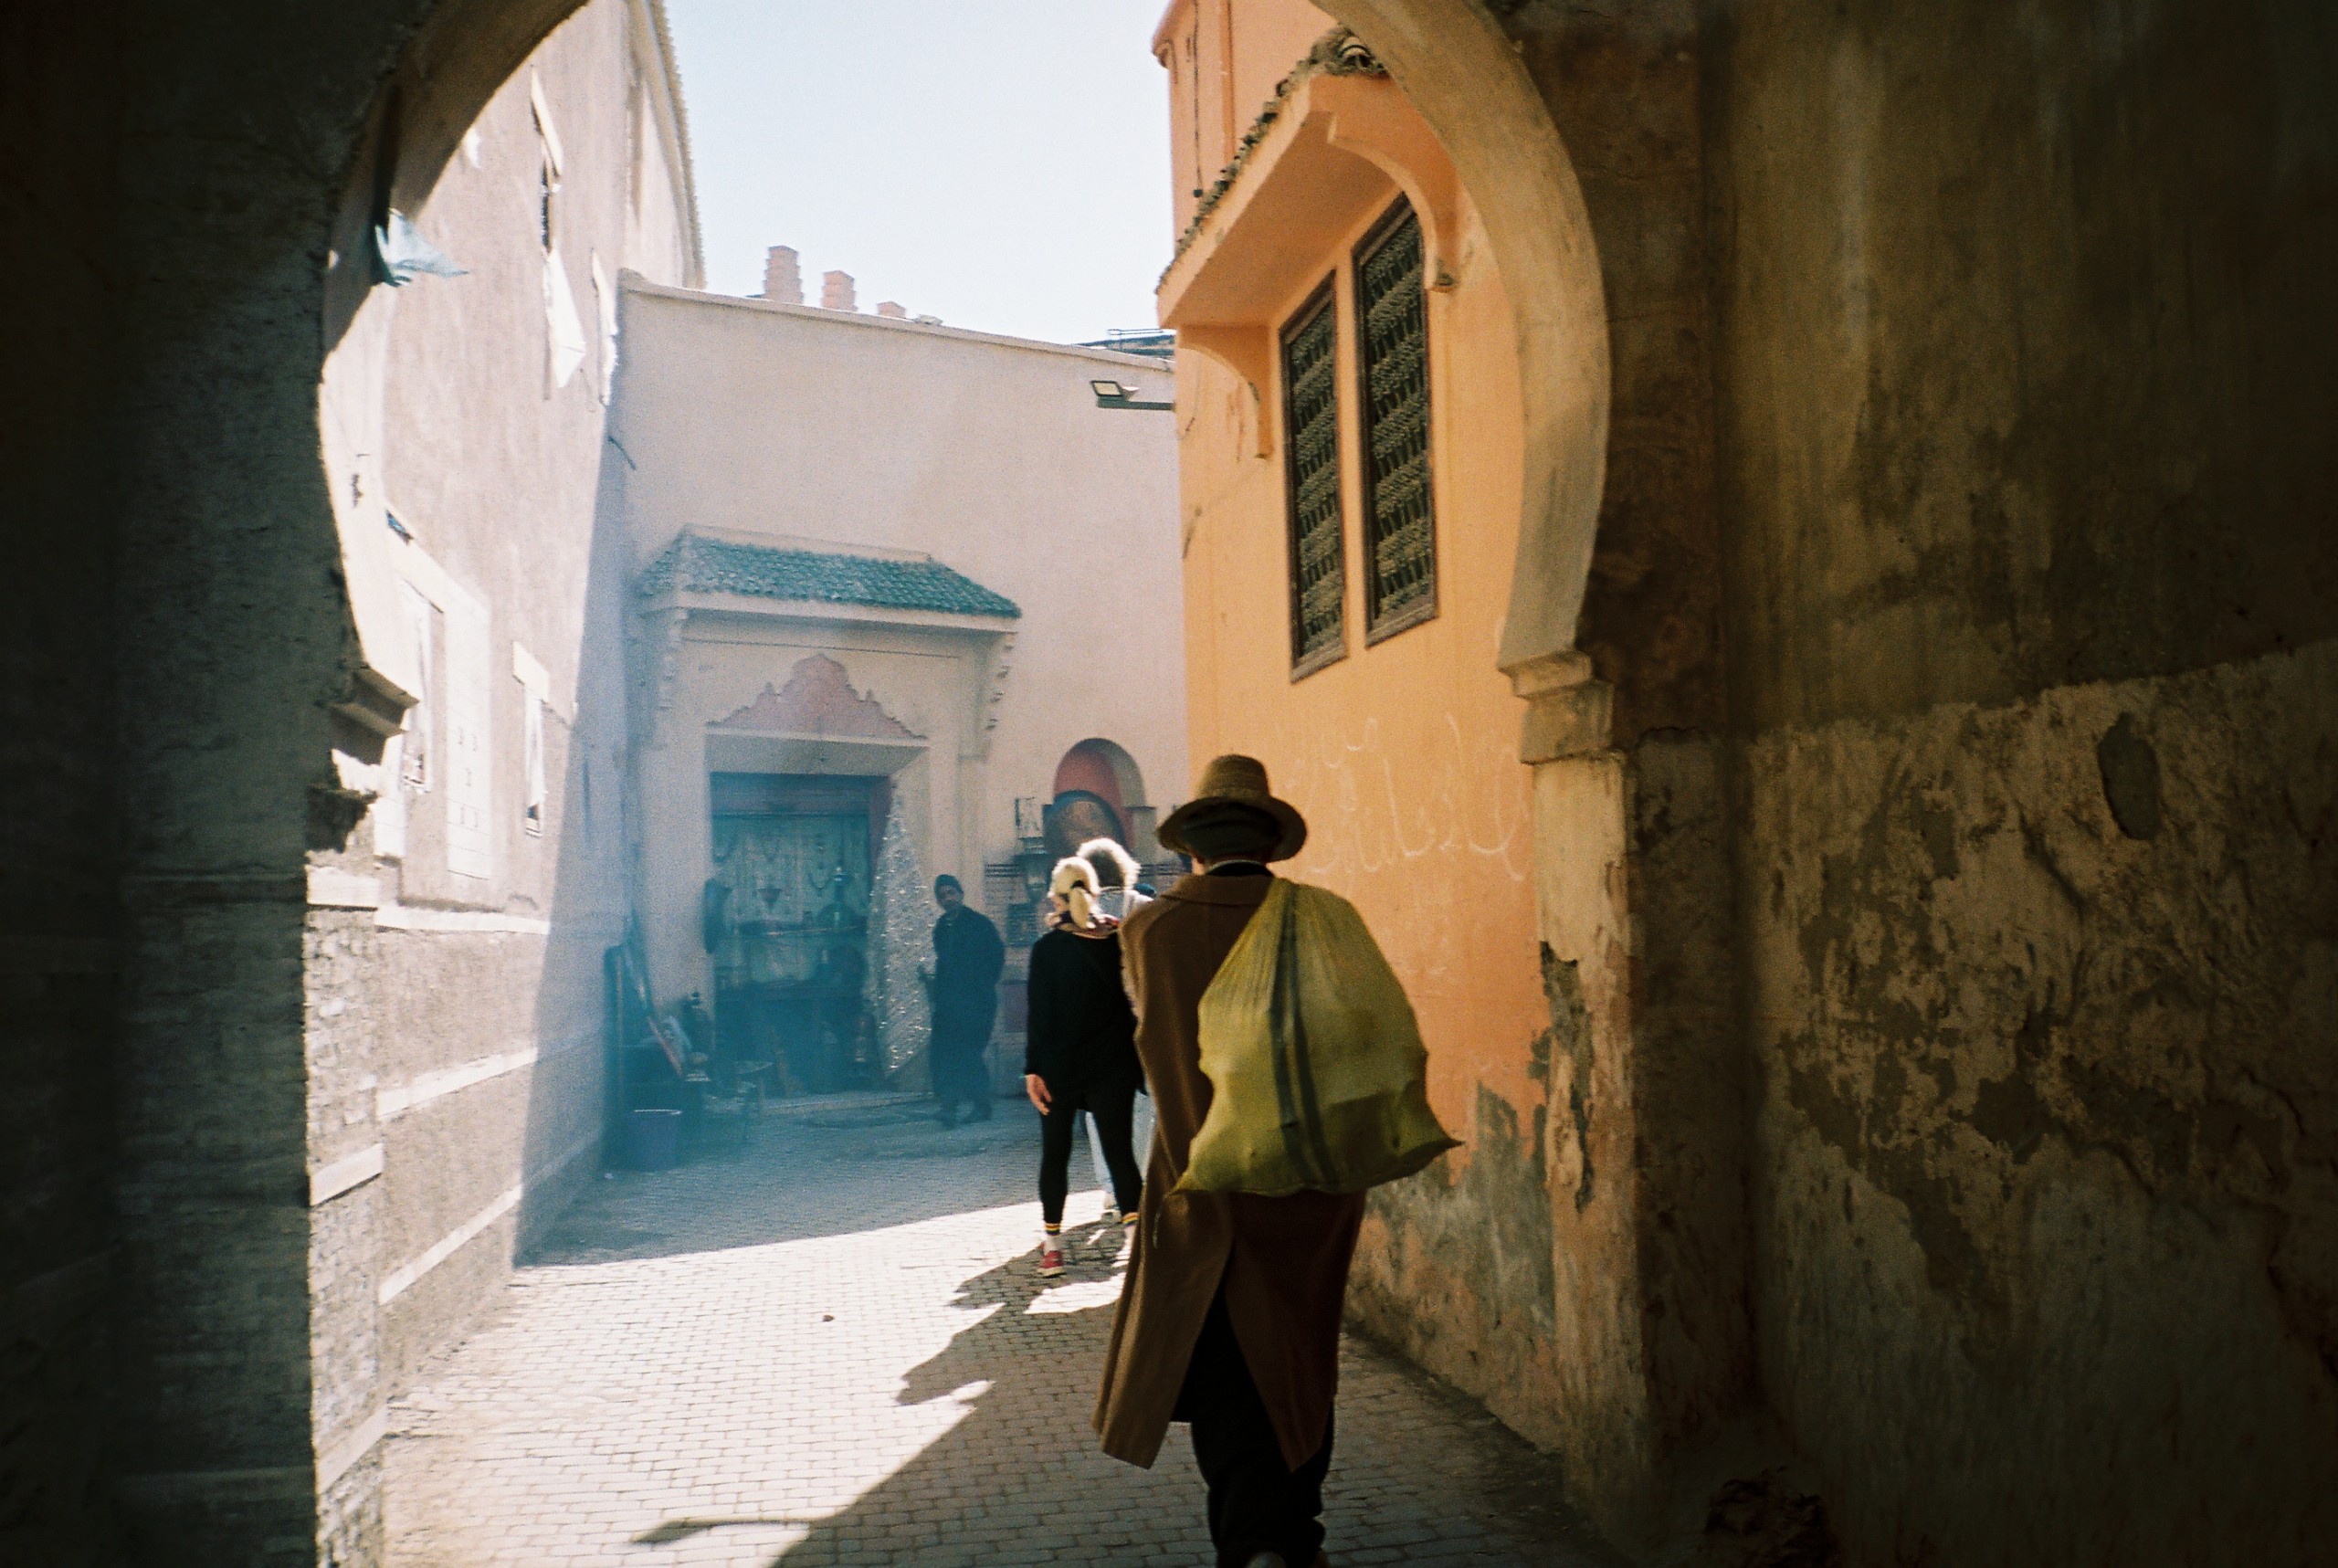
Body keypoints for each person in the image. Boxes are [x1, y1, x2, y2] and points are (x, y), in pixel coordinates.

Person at [1095, 755, 1359, 1568]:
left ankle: (1247, 1542)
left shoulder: (1149, 930)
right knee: (1300, 1357)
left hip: (1197, 1189)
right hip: (1305, 1191)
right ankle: (1297, 1530)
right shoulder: (1322, 920)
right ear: (1270, 843)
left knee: (1223, 1370)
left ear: (1196, 846)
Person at [1023, 857, 1145, 1278]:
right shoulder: (1117, 941)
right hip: (1114, 1067)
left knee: (1055, 1157)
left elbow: (1039, 1018)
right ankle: (1136, 1244)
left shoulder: (1046, 950)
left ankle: (1053, 1249)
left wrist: (1032, 1072)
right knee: (1120, 1155)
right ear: (1094, 893)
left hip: (1059, 1069)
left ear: (1057, 896)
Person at [925, 873, 1004, 1126]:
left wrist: (981, 986)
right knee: (946, 1053)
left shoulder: (979, 924)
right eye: (942, 895)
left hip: (975, 1002)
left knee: (968, 1053)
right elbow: (943, 963)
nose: (948, 899)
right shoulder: (941, 928)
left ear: (960, 893)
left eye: (951, 893)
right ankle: (949, 1106)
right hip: (949, 1003)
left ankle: (980, 1104)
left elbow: (996, 957)